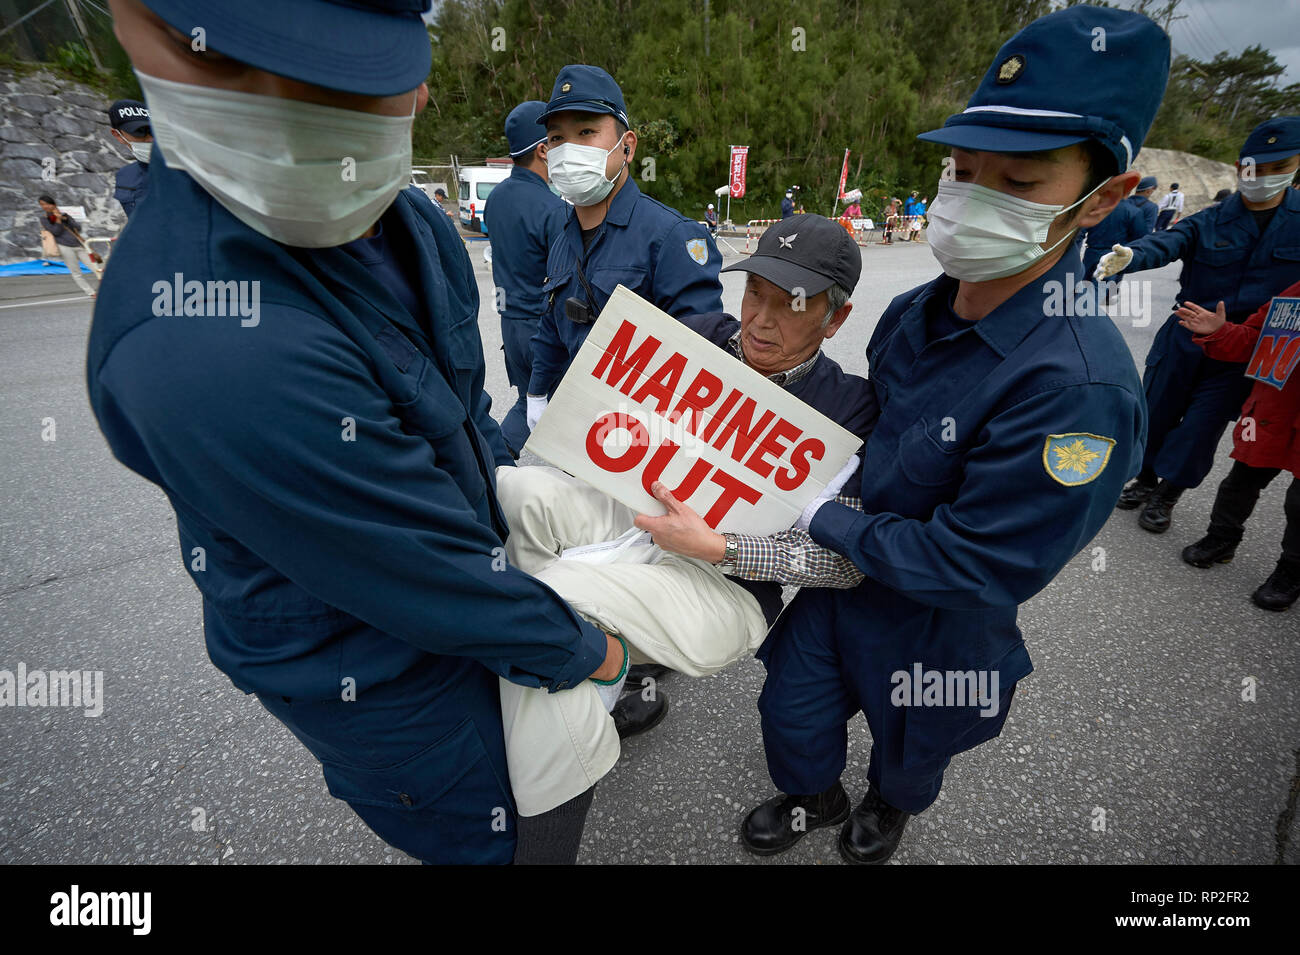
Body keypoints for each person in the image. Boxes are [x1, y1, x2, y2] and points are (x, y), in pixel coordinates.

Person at [89, 0, 630, 866]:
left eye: (341, 80)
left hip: (487, 594)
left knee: (552, 774)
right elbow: (421, 573)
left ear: (413, 82)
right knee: (500, 834)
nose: (290, 112)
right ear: (131, 25)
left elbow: (460, 411)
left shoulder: (411, 224)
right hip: (391, 683)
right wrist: (595, 650)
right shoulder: (199, 344)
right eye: (233, 65)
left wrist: (511, 486)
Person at [741, 5, 1167, 865]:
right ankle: (813, 794)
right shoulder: (916, 307)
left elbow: (978, 564)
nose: (972, 200)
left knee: (913, 753)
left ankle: (883, 808)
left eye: (1019, 184)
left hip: (942, 623)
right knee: (790, 710)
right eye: (964, 171)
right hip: (844, 586)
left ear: (1103, 199)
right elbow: (868, 432)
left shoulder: (1077, 387)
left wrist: (821, 518)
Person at [495, 214, 876, 818]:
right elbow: (602, 421)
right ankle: (585, 673)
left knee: (546, 600)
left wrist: (721, 546)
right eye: (754, 292)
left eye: (792, 305)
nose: (760, 319)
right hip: (635, 524)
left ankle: (543, 806)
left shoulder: (849, 410)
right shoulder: (698, 334)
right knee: (513, 490)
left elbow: (847, 563)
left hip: (724, 587)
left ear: (836, 317)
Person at [1097, 117, 1300, 533]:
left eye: (1277, 168)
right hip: (1186, 335)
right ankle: (1146, 478)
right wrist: (1132, 257)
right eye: (1254, 167)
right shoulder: (1210, 219)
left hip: (1246, 347)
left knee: (1203, 427)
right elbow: (1167, 242)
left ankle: (1168, 493)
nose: (1261, 177)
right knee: (1157, 410)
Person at [523, 64, 722, 435]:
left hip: (645, 438)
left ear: (627, 146)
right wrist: (536, 393)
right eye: (556, 138)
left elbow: (700, 359)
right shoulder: (562, 232)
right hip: (579, 425)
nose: (569, 150)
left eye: (586, 132)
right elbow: (551, 325)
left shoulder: (672, 236)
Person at [1174, 284, 1300, 611]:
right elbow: (1254, 341)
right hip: (1274, 409)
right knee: (1239, 482)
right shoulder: (1293, 293)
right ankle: (1222, 539)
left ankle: (1291, 571)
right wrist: (1221, 332)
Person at [483, 100, 568, 458]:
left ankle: (493, 463)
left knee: (530, 398)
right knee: (562, 401)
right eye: (557, 140)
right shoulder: (554, 209)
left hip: (510, 326)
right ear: (543, 150)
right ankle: (493, 462)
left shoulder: (496, 199)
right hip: (542, 329)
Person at [1080, 181, 1148, 304]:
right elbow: (1140, 238)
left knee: (1083, 286)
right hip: (1113, 256)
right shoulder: (1133, 212)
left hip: (1091, 252)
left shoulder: (1098, 208)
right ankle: (1085, 316)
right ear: (1128, 192)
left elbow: (1081, 231)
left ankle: (1075, 313)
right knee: (1099, 289)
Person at [38, 195, 99, 297]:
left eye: (47, 204)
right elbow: (56, 232)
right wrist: (57, 220)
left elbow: (78, 228)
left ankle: (107, 286)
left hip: (78, 245)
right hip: (64, 247)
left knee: (96, 267)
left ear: (53, 204)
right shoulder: (44, 219)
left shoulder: (65, 215)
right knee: (76, 272)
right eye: (42, 204)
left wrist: (64, 219)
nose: (45, 206)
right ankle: (91, 292)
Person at [107, 99, 152, 218]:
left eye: (152, 131)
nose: (149, 139)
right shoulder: (124, 176)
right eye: (139, 132)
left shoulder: (186, 169)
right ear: (118, 135)